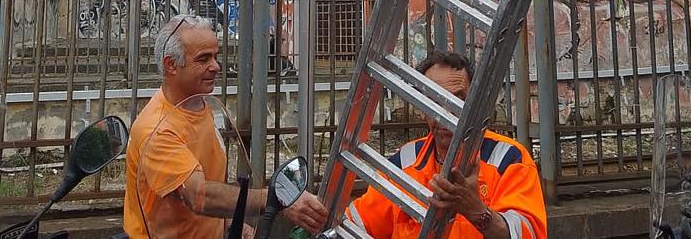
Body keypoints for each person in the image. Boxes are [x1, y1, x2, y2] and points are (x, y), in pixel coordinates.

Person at [124, 14, 328, 239]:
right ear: (171, 65)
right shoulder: (157, 129)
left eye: (215, 56)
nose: (216, 66)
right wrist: (276, 198)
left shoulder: (198, 104)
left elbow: (209, 184)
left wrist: (231, 223)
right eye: (203, 59)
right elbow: (199, 195)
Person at [345, 51, 547, 239]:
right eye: (435, 100)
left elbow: (529, 233)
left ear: (474, 104)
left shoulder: (507, 158)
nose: (446, 112)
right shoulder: (405, 162)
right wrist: (319, 215)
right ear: (422, 107)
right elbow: (357, 224)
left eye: (457, 99)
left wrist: (476, 211)